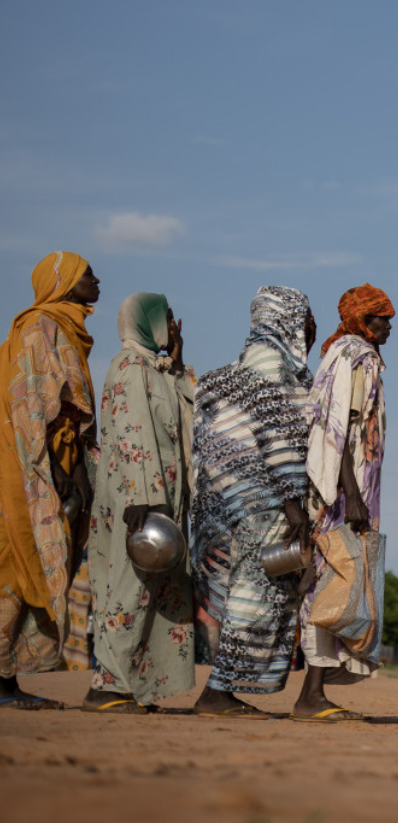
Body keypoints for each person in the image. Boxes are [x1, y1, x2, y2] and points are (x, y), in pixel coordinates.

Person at [190, 285, 316, 718]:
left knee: (246, 596)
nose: (308, 325)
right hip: (264, 508)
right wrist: (293, 501)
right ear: (287, 318)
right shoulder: (269, 364)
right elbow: (276, 433)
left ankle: (221, 688)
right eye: (304, 316)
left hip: (230, 506)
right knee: (256, 598)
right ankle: (218, 691)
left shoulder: (233, 369)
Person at [82, 292, 196, 712]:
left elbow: (189, 414)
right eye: (165, 315)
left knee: (154, 594)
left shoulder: (157, 367)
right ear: (146, 321)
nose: (173, 321)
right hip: (141, 501)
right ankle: (106, 686)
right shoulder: (130, 366)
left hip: (159, 496)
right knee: (129, 591)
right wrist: (143, 499)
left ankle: (132, 685)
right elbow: (132, 434)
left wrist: (179, 362)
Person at [0, 252, 100, 709]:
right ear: (62, 283)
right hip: (27, 465)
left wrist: (77, 469)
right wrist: (58, 473)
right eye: (87, 275)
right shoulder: (40, 326)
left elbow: (71, 415)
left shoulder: (68, 330)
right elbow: (34, 406)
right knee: (16, 564)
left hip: (57, 459)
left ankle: (8, 683)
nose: (96, 281)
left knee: (37, 567)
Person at [295, 284, 394, 722]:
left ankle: (313, 690)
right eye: (380, 317)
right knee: (333, 583)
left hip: (344, 490)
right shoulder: (357, 357)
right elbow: (339, 429)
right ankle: (311, 695)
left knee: (336, 584)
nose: (388, 325)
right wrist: (351, 495)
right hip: (343, 493)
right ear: (360, 320)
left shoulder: (344, 354)